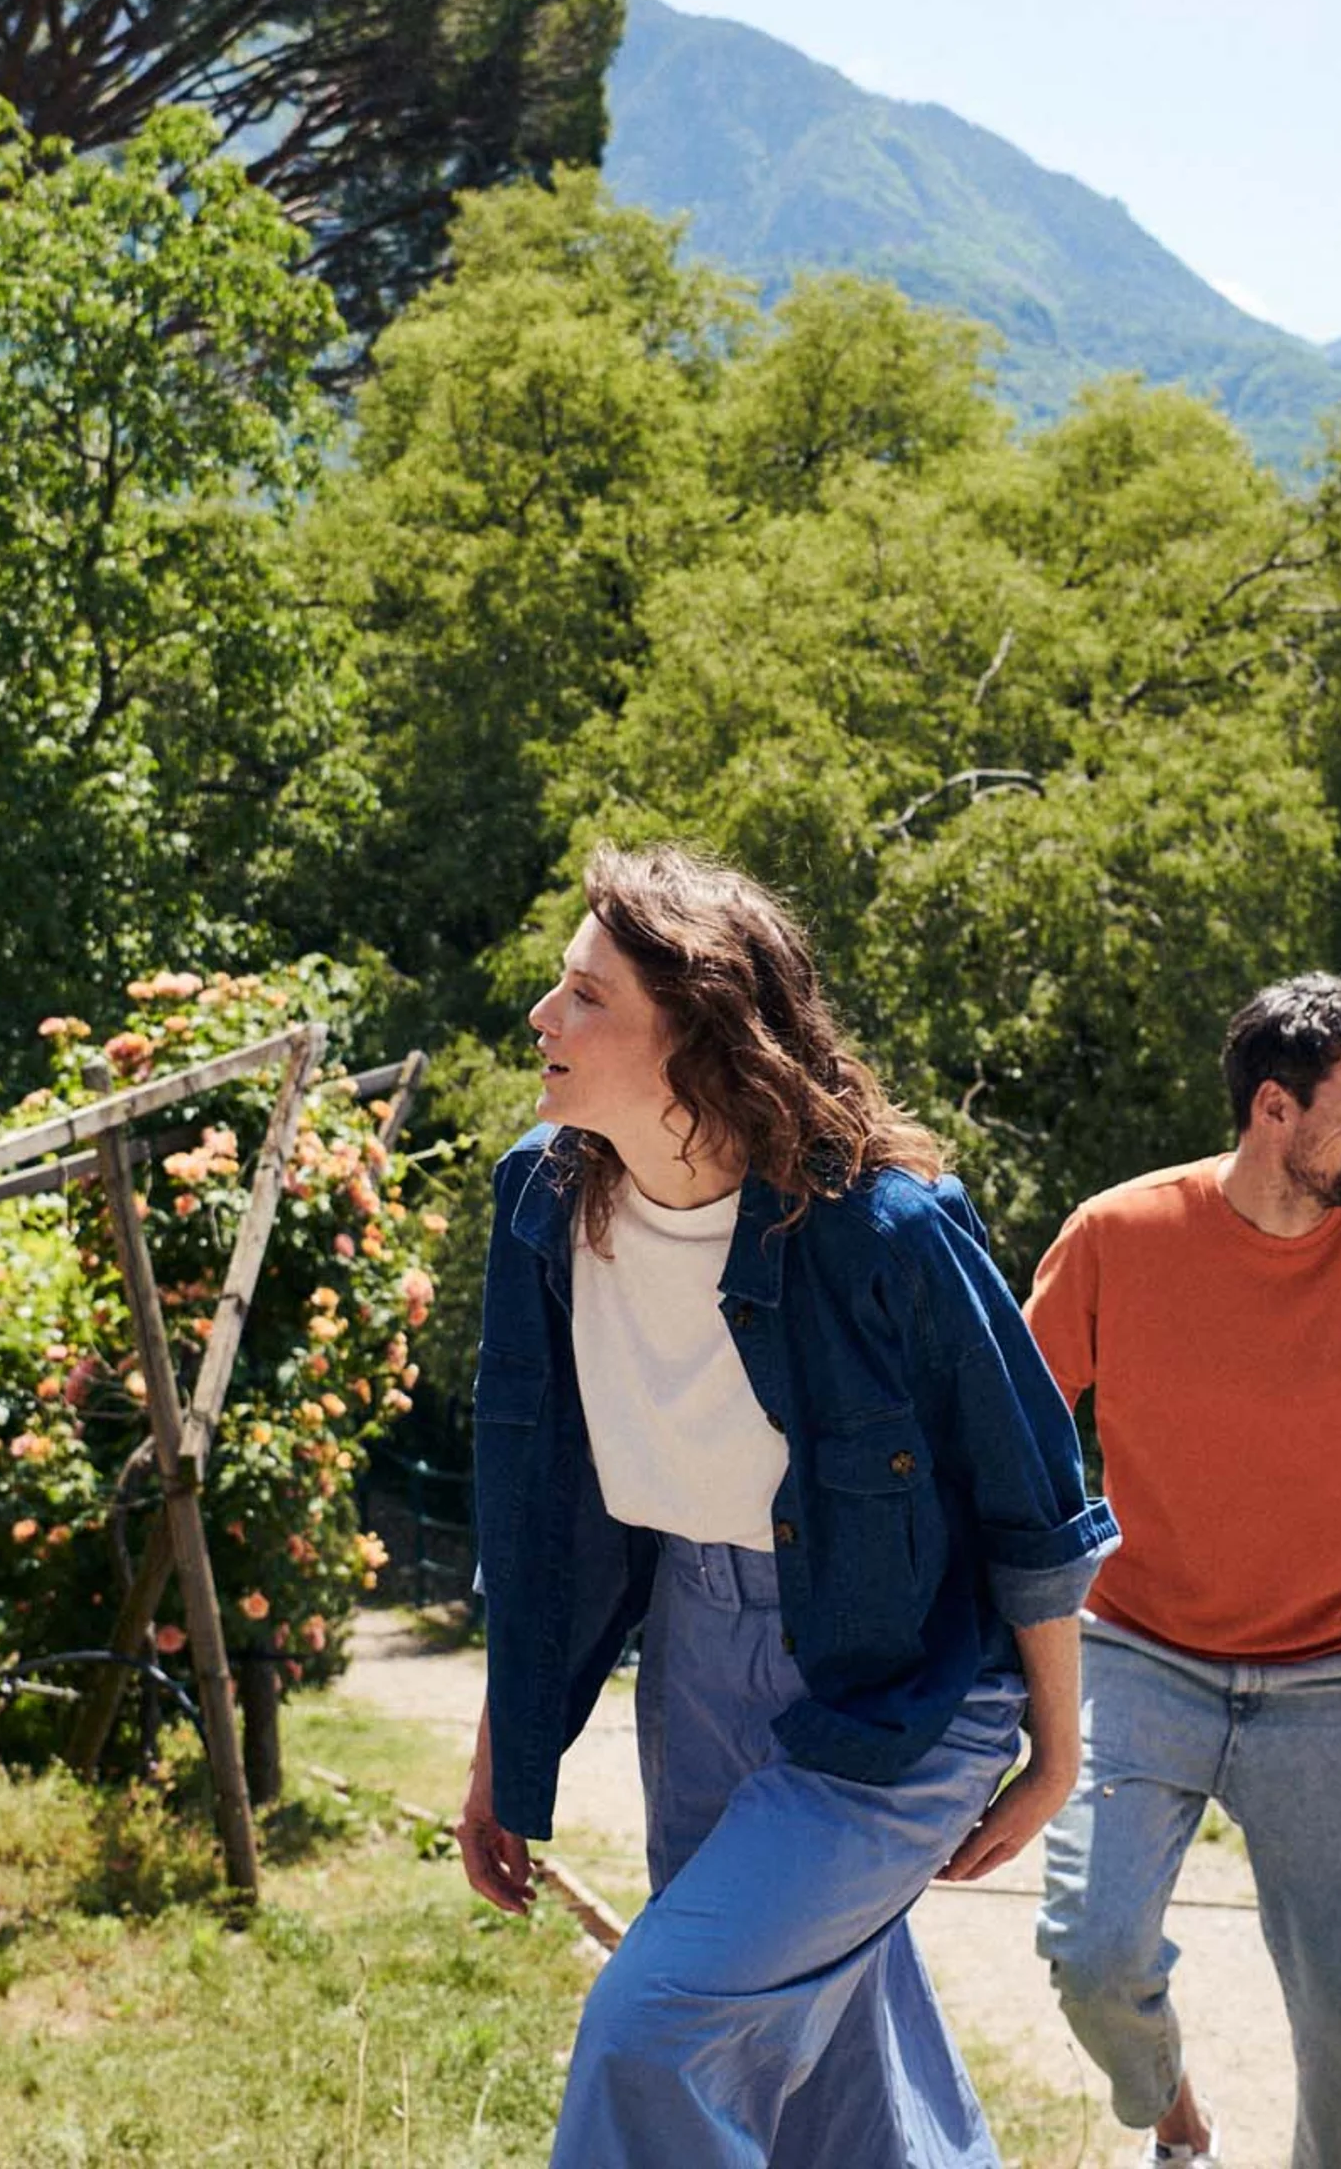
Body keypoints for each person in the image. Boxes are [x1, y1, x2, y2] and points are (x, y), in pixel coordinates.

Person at [456, 842, 1120, 2167]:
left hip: (902, 1681)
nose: (543, 1018)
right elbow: (533, 1508)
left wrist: (1054, 1752)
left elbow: (1032, 1496)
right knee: (811, 2064)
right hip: (695, 1660)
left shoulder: (890, 1233)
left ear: (697, 1037)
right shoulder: (541, 1201)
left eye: (584, 996)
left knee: (653, 2027)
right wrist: (499, 1750)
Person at [1024, 971, 1341, 2169]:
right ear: (1274, 1111)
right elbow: (1014, 1444)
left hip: (1336, 1681)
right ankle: (1174, 2116)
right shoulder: (1118, 1234)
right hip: (1138, 1655)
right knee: (1092, 1955)